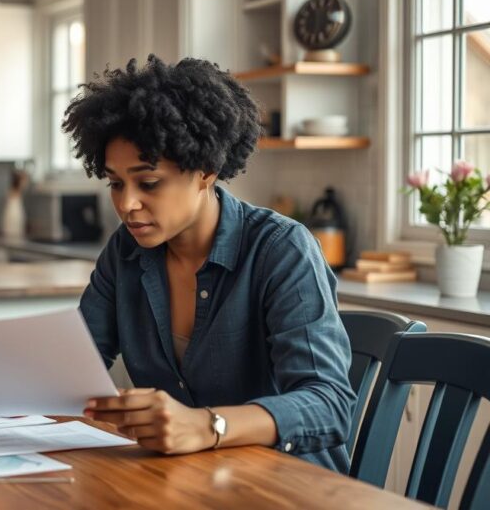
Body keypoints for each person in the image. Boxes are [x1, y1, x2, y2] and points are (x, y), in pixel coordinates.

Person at [67, 56, 355, 472]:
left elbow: (329, 404)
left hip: (288, 487)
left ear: (206, 171)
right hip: (184, 481)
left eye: (148, 183)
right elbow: (74, 364)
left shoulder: (281, 249)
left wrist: (206, 426)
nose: (126, 204)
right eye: (115, 183)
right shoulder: (126, 251)